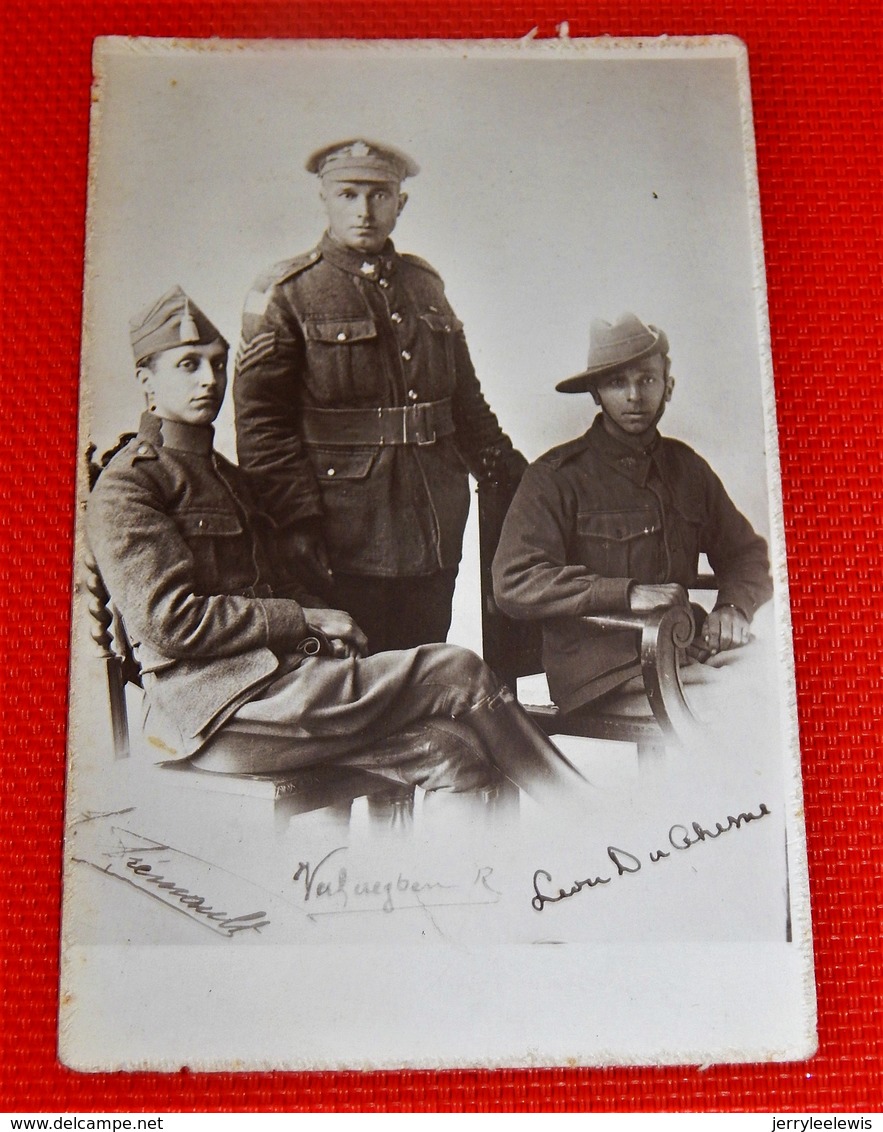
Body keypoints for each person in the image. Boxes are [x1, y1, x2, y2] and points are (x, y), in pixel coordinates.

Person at [87, 286, 582, 805]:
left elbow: (279, 581)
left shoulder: (227, 478)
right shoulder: (129, 487)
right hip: (214, 713)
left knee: (454, 755)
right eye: (187, 366)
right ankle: (585, 819)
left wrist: (325, 623)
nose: (209, 380)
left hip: (276, 690)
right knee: (458, 672)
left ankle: (465, 883)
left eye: (216, 363)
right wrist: (303, 621)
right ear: (146, 381)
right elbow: (171, 620)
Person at [233, 139, 526, 652]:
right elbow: (261, 423)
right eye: (347, 195)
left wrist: (511, 473)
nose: (363, 211)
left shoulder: (425, 285)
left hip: (435, 519)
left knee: (423, 663)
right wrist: (295, 521)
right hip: (341, 527)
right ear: (323, 199)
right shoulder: (287, 292)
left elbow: (465, 400)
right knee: (355, 679)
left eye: (379, 196)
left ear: (400, 203)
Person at [492, 312, 773, 715]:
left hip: (682, 648)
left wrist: (733, 607)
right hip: (605, 672)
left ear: (668, 385)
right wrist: (627, 593)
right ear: (595, 393)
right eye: (616, 382)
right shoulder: (555, 477)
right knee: (741, 710)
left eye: (646, 379)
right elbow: (514, 582)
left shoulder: (686, 468)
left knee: (785, 682)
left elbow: (748, 554)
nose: (634, 396)